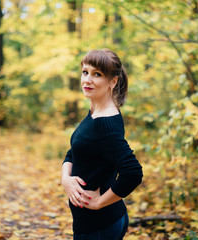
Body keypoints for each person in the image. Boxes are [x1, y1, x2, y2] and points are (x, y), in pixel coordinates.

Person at [61, 49, 143, 240]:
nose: (87, 80)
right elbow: (74, 152)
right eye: (85, 72)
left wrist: (99, 203)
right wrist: (66, 178)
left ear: (113, 81)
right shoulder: (95, 111)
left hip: (99, 227)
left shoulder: (105, 125)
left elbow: (132, 173)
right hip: (95, 224)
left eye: (97, 74)